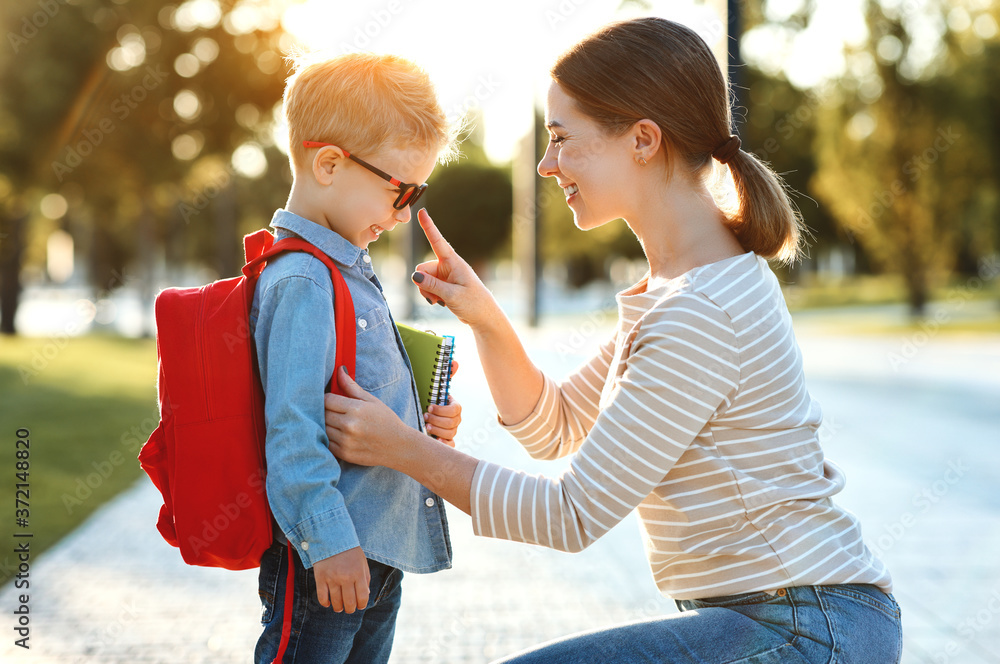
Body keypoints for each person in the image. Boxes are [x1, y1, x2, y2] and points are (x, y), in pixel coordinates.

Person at [323, 16, 902, 664]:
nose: (547, 165)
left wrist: (400, 448)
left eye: (563, 139)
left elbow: (570, 516)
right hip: (783, 622)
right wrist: (485, 316)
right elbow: (556, 427)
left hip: (807, 628)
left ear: (643, 140)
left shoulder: (702, 310)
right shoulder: (677, 291)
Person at [250, 52, 463, 664]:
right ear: (329, 163)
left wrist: (418, 426)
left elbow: (348, 394)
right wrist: (328, 542)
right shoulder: (304, 280)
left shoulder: (343, 268)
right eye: (399, 190)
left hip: (377, 554)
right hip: (333, 555)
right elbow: (292, 429)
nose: (403, 214)